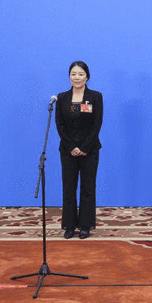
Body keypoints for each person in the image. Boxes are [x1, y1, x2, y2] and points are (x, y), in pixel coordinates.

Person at [55, 61, 103, 239]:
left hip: (90, 150)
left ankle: (85, 225)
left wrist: (84, 147)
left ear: (87, 77)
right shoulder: (61, 98)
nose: (77, 77)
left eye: (81, 74)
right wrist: (72, 147)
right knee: (68, 187)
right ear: (69, 76)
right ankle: (69, 225)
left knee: (88, 187)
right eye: (73, 74)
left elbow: (96, 124)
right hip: (68, 150)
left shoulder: (95, 96)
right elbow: (60, 125)